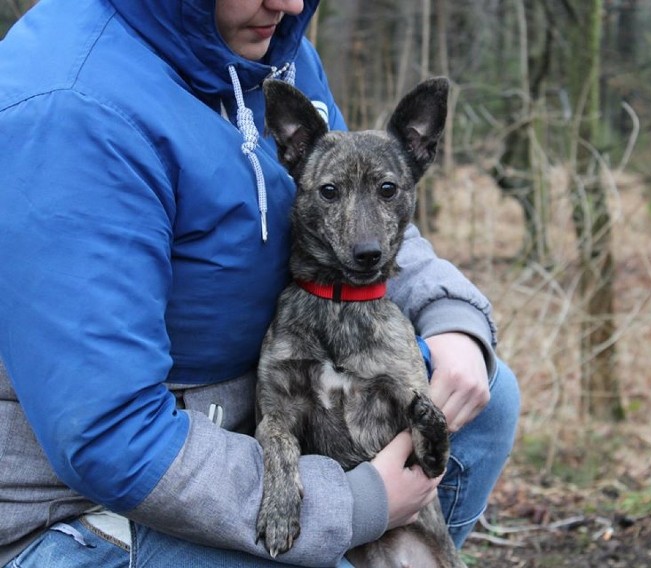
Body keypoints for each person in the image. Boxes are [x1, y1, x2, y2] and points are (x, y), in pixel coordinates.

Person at [0, 0, 520, 566]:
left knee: (486, 396)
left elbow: (358, 196)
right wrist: (352, 504)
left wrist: (451, 316)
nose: (290, 3)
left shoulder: (266, 48)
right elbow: (109, 437)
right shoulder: (71, 115)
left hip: (239, 416)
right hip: (85, 501)